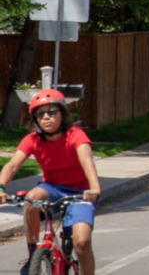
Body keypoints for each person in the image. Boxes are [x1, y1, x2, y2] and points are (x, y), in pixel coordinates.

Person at [0, 89, 100, 275]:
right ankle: (33, 255)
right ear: (35, 119)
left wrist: (94, 188)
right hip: (52, 187)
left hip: (80, 192)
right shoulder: (32, 140)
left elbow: (87, 160)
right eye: (41, 114)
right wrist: (1, 187)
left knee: (81, 243)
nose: (47, 117)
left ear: (63, 114)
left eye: (52, 112)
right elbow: (13, 165)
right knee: (31, 199)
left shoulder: (74, 134)